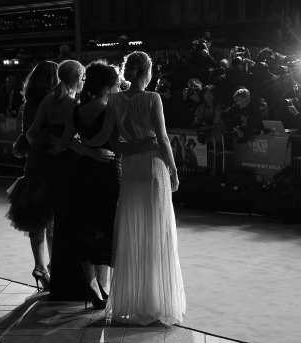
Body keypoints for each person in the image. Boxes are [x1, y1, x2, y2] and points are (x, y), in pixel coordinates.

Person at [82, 51, 186, 325]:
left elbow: (109, 141)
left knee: (133, 229)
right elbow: (162, 139)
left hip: (129, 168)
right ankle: (155, 302)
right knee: (156, 231)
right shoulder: (153, 98)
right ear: (146, 72)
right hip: (153, 168)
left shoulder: (114, 100)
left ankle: (134, 301)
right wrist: (173, 169)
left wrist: (77, 142)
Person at [26, 59, 113, 301]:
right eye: (83, 77)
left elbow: (31, 134)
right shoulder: (72, 103)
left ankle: (56, 276)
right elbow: (71, 141)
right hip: (70, 168)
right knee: (69, 223)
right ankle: (77, 281)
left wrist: (44, 152)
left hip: (46, 167)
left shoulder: (48, 100)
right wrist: (91, 152)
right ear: (78, 79)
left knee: (55, 223)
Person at [5, 61, 59, 292]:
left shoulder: (28, 105)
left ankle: (40, 267)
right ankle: (53, 267)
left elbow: (26, 139)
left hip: (34, 166)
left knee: (37, 219)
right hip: (51, 164)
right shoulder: (53, 105)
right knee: (53, 220)